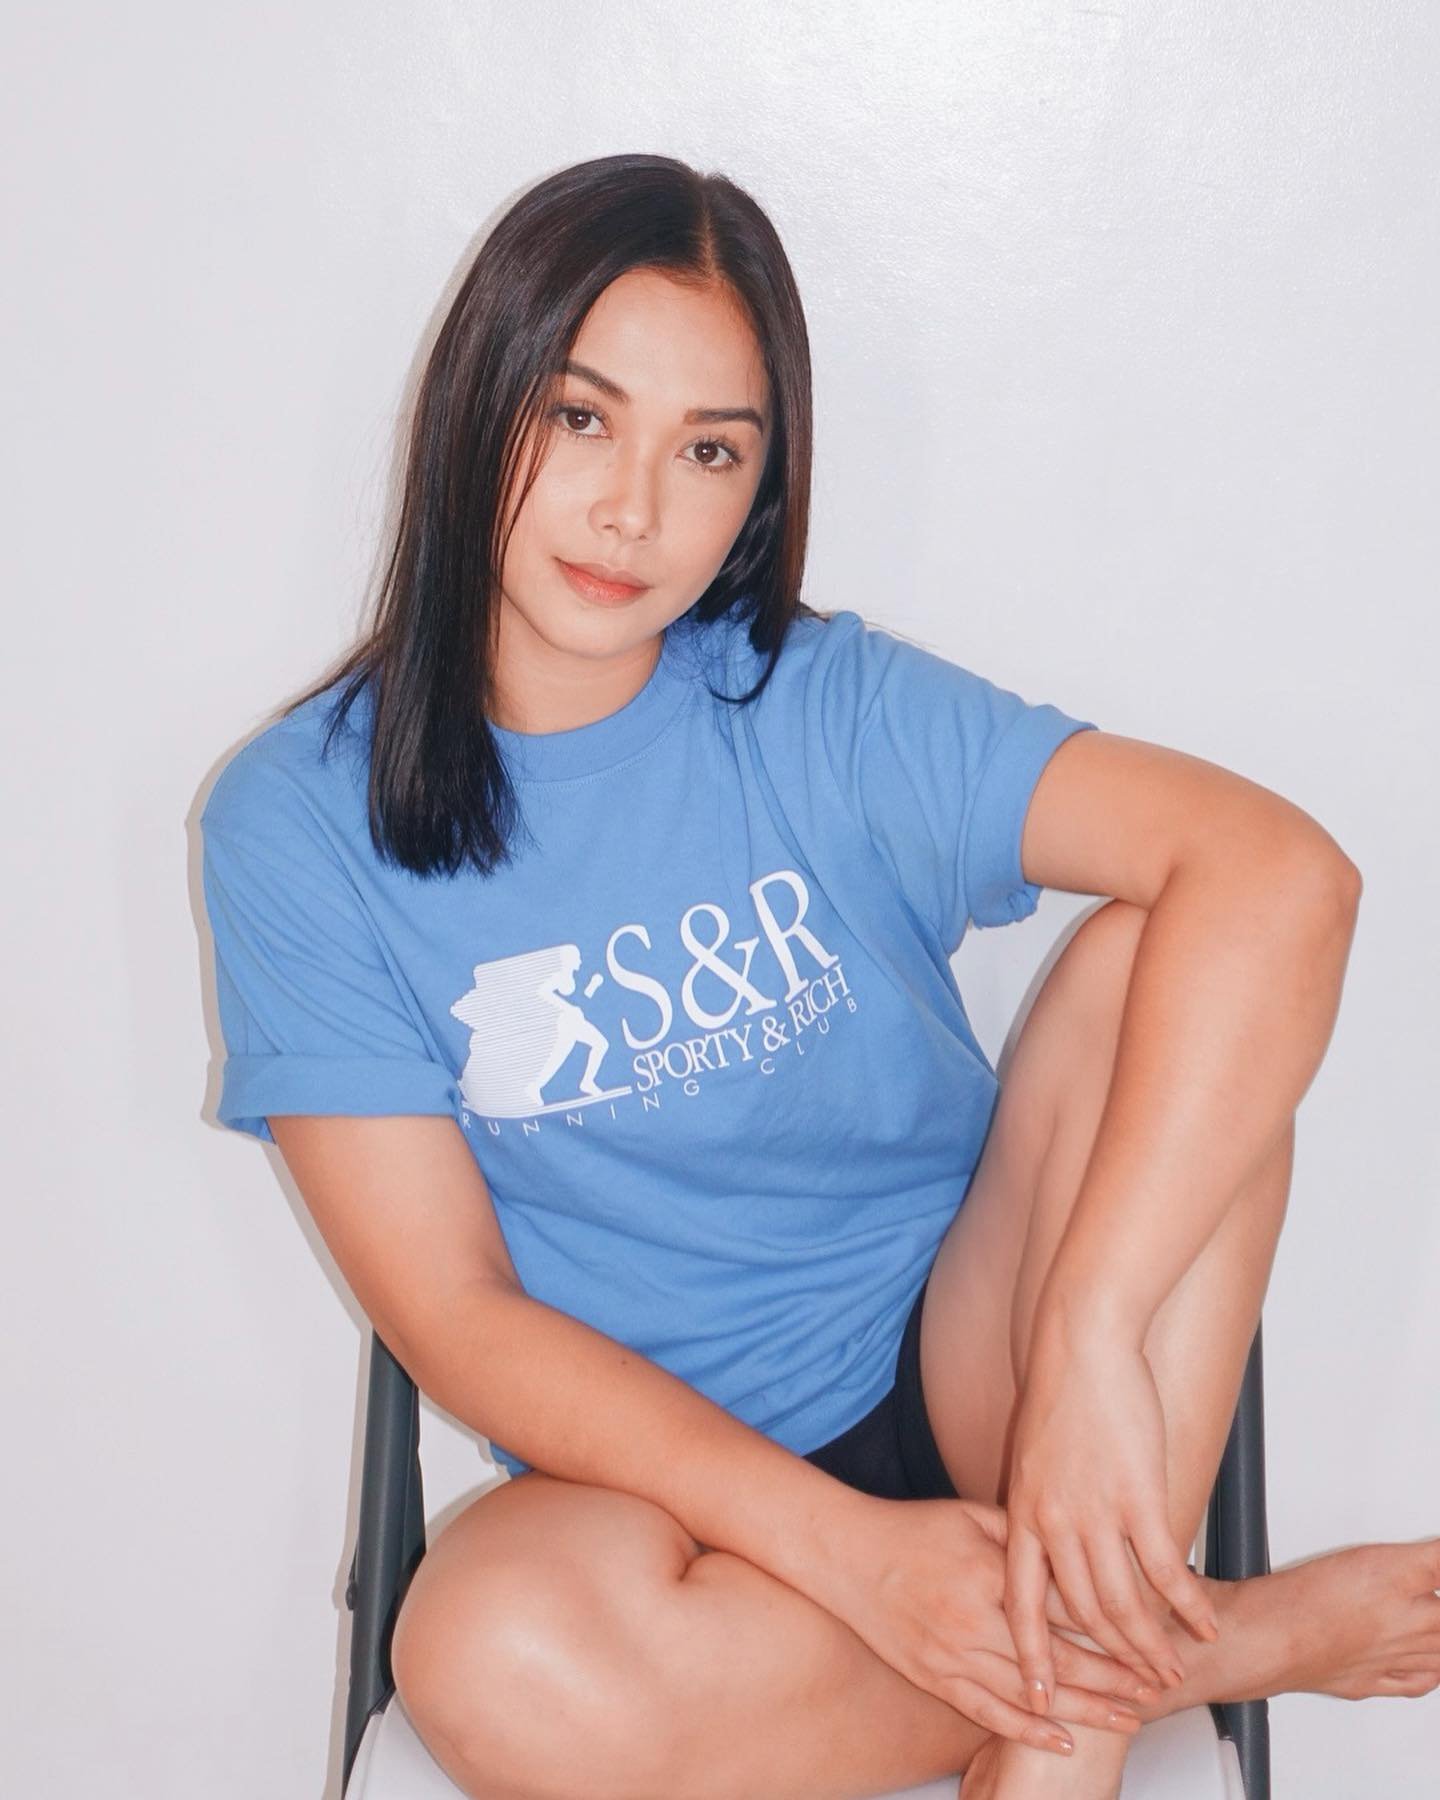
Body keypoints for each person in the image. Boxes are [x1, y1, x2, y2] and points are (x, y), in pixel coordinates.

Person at [197, 153, 1440, 1800]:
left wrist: (1085, 1339)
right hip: (669, 1504)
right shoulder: (299, 821)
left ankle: (1050, 1756)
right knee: (489, 1651)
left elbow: (1284, 875)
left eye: (709, 449)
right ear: (478, 403)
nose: (635, 509)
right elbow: (460, 1318)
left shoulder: (814, 704)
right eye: (582, 418)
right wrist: (855, 1562)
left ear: (761, 487)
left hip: (982, 1382)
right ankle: (1201, 1649)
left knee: (1173, 972)